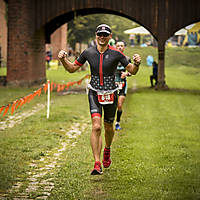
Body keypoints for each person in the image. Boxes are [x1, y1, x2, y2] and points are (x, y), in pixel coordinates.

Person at [58, 24, 141, 175]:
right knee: (96, 127)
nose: (102, 37)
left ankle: (107, 150)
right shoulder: (88, 52)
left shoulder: (117, 53)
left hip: (111, 93)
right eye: (99, 34)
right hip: (94, 92)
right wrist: (63, 59)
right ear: (96, 36)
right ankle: (97, 163)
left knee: (108, 128)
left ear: (110, 37)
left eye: (105, 35)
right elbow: (71, 69)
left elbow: (132, 71)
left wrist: (137, 63)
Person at [115, 41, 132, 131]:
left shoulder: (127, 59)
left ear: (124, 48)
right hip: (112, 85)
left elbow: (131, 72)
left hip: (122, 85)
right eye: (118, 46)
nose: (120, 47)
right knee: (111, 105)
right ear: (115, 47)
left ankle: (117, 122)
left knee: (119, 105)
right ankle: (109, 122)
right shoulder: (111, 58)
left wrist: (126, 74)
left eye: (122, 46)